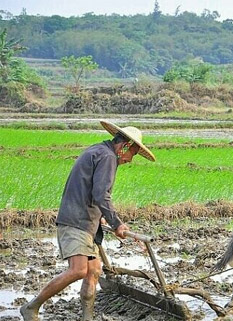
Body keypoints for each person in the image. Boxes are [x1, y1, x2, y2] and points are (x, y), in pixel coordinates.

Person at [20, 120, 156, 321]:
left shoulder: (98, 150)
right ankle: (31, 307)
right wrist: (117, 223)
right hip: (77, 221)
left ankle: (88, 318)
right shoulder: (108, 157)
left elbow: (89, 189)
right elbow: (101, 194)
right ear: (124, 146)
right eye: (132, 154)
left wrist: (99, 216)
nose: (130, 160)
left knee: (94, 270)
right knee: (78, 270)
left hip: (83, 220)